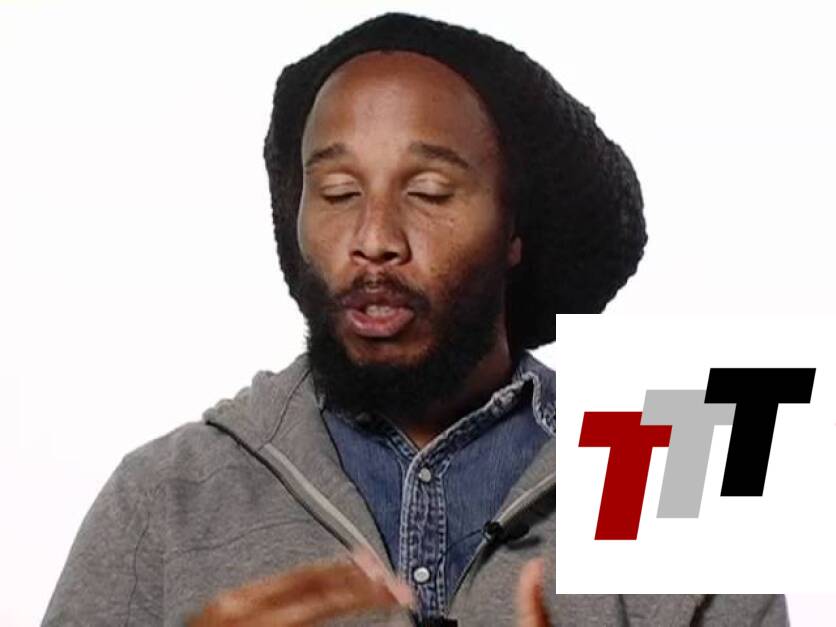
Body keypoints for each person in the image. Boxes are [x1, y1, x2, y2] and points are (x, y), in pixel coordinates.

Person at [42, 12, 788, 627]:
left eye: (428, 191)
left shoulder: (675, 478)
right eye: (337, 192)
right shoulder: (165, 497)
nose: (374, 239)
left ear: (514, 227)